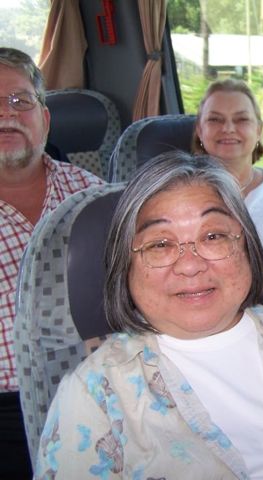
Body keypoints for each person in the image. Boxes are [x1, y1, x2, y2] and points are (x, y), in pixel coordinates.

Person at [34, 152, 263, 479]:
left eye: (213, 236)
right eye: (160, 244)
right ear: (126, 265)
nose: (191, 265)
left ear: (246, 246)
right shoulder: (96, 393)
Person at [0, 47, 104, 478]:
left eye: (20, 101)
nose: (6, 114)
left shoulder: (95, 195)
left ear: (44, 119)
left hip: (100, 389)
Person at [192, 78, 263, 307]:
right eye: (215, 119)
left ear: (258, 130)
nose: (228, 128)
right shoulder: (180, 195)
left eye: (241, 119)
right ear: (200, 130)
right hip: (207, 305)